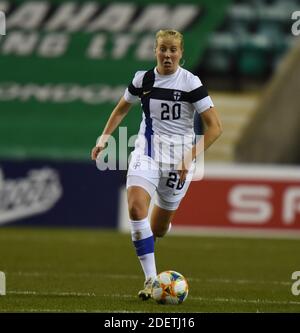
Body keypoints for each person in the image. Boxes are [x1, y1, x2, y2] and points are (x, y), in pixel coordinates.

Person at [91, 29, 222, 300]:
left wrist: (190, 157)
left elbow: (215, 127)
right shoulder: (143, 80)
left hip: (179, 164)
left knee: (159, 228)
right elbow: (121, 109)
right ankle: (151, 280)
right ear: (155, 50)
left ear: (181, 53)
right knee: (136, 207)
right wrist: (104, 138)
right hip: (146, 154)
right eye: (163, 48)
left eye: (173, 49)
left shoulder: (190, 83)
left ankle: (155, 234)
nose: (167, 54)